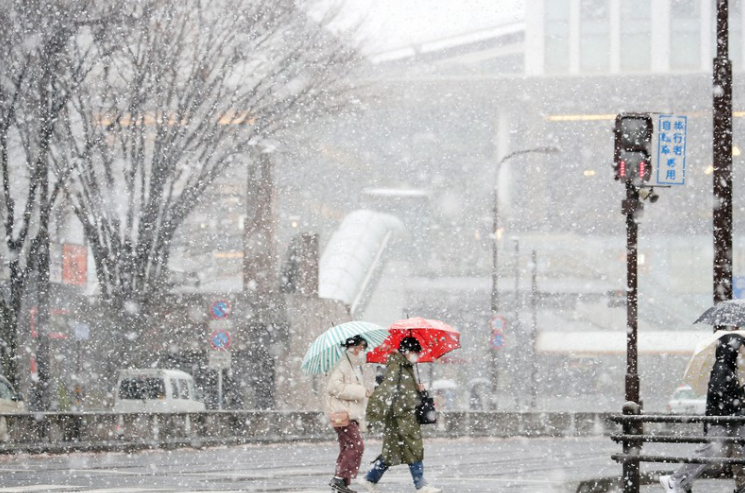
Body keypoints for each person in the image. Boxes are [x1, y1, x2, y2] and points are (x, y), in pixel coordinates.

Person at [660, 331, 745, 493]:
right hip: (724, 420)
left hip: (729, 419)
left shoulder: (727, 368)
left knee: (732, 449)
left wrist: (740, 393)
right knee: (709, 450)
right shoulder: (723, 369)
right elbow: (721, 397)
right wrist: (740, 400)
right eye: (739, 346)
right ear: (731, 349)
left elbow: (725, 395)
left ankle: (680, 481)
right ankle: (676, 480)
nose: (741, 350)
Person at [358, 336, 442, 493]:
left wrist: (420, 390)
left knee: (391, 452)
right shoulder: (397, 367)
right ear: (407, 351)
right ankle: (420, 484)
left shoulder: (405, 367)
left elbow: (404, 392)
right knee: (413, 448)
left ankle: (370, 479)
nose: (416, 355)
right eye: (415, 352)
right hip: (401, 417)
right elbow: (386, 391)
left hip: (404, 417)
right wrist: (372, 415)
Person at [326, 335, 371, 493]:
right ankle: (339, 479)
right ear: (355, 347)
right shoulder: (343, 363)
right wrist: (361, 391)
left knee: (347, 447)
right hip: (344, 414)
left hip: (348, 414)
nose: (363, 351)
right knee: (356, 445)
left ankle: (342, 482)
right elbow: (334, 387)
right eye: (362, 347)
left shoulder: (352, 365)